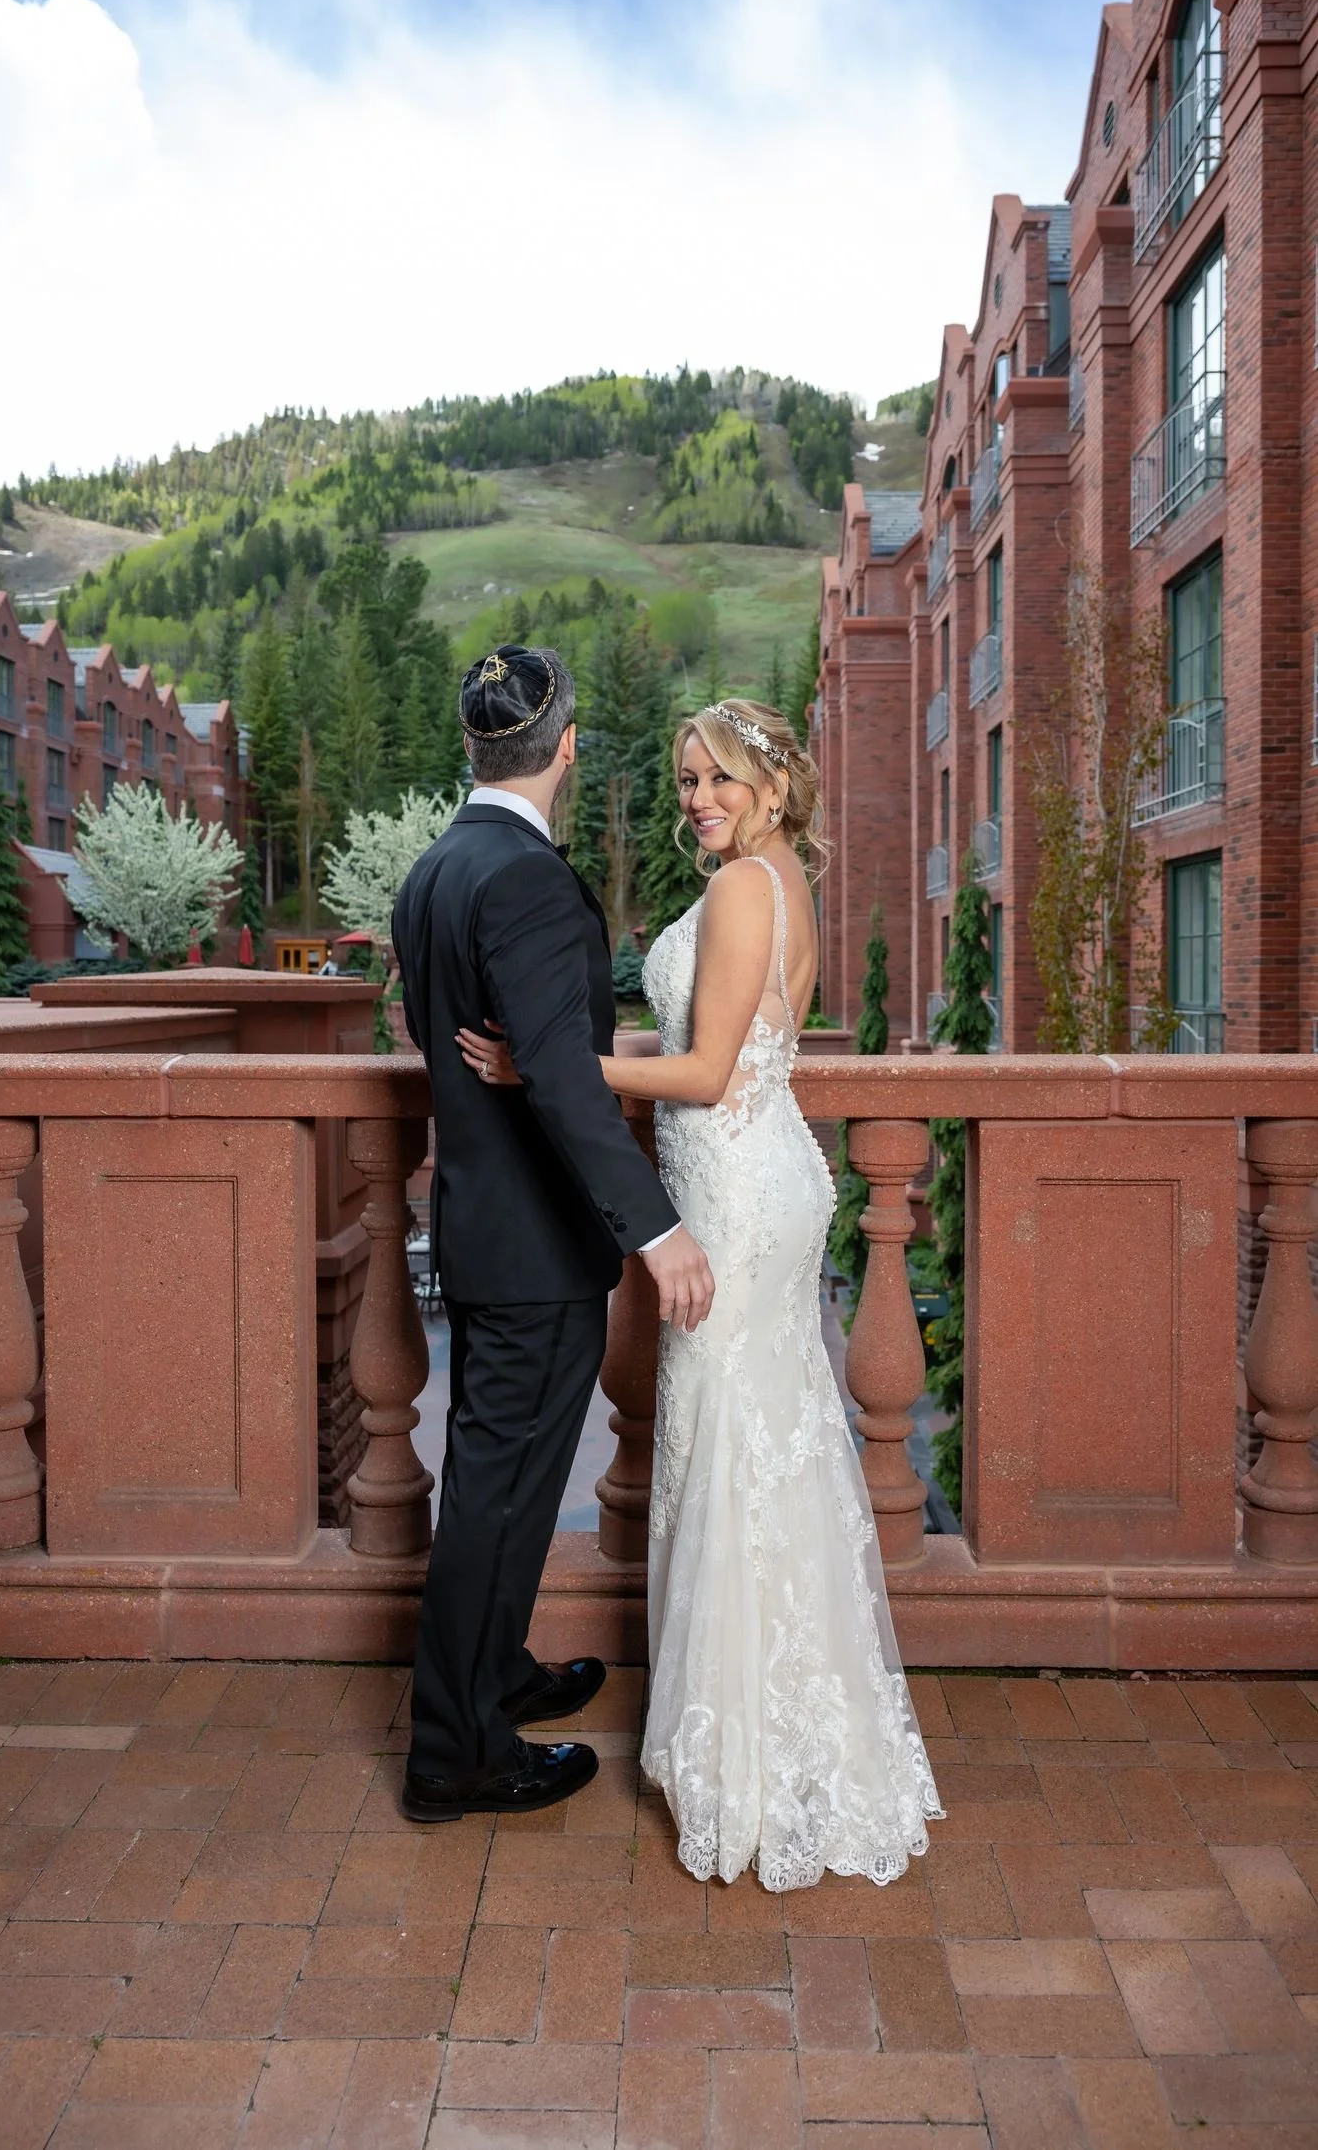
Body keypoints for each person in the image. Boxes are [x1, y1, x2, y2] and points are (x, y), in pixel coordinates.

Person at [461, 697, 942, 1889]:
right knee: (759, 1442)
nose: (696, 799)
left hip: (733, 1196)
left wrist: (545, 1067)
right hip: (760, 1180)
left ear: (772, 785)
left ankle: (751, 1761)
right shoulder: (779, 880)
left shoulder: (742, 890)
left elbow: (706, 1069)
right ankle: (773, 1734)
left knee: (732, 1446)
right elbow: (718, 1036)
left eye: (717, 778)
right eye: (684, 778)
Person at [392, 644, 715, 1824]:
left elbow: (525, 1060)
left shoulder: (434, 869)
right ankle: (453, 1755)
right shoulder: (521, 879)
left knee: (509, 1488)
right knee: (497, 1493)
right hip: (531, 1245)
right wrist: (657, 1231)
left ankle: (496, 1677)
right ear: (566, 747)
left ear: (475, 746)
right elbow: (570, 1092)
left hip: (481, 1226)